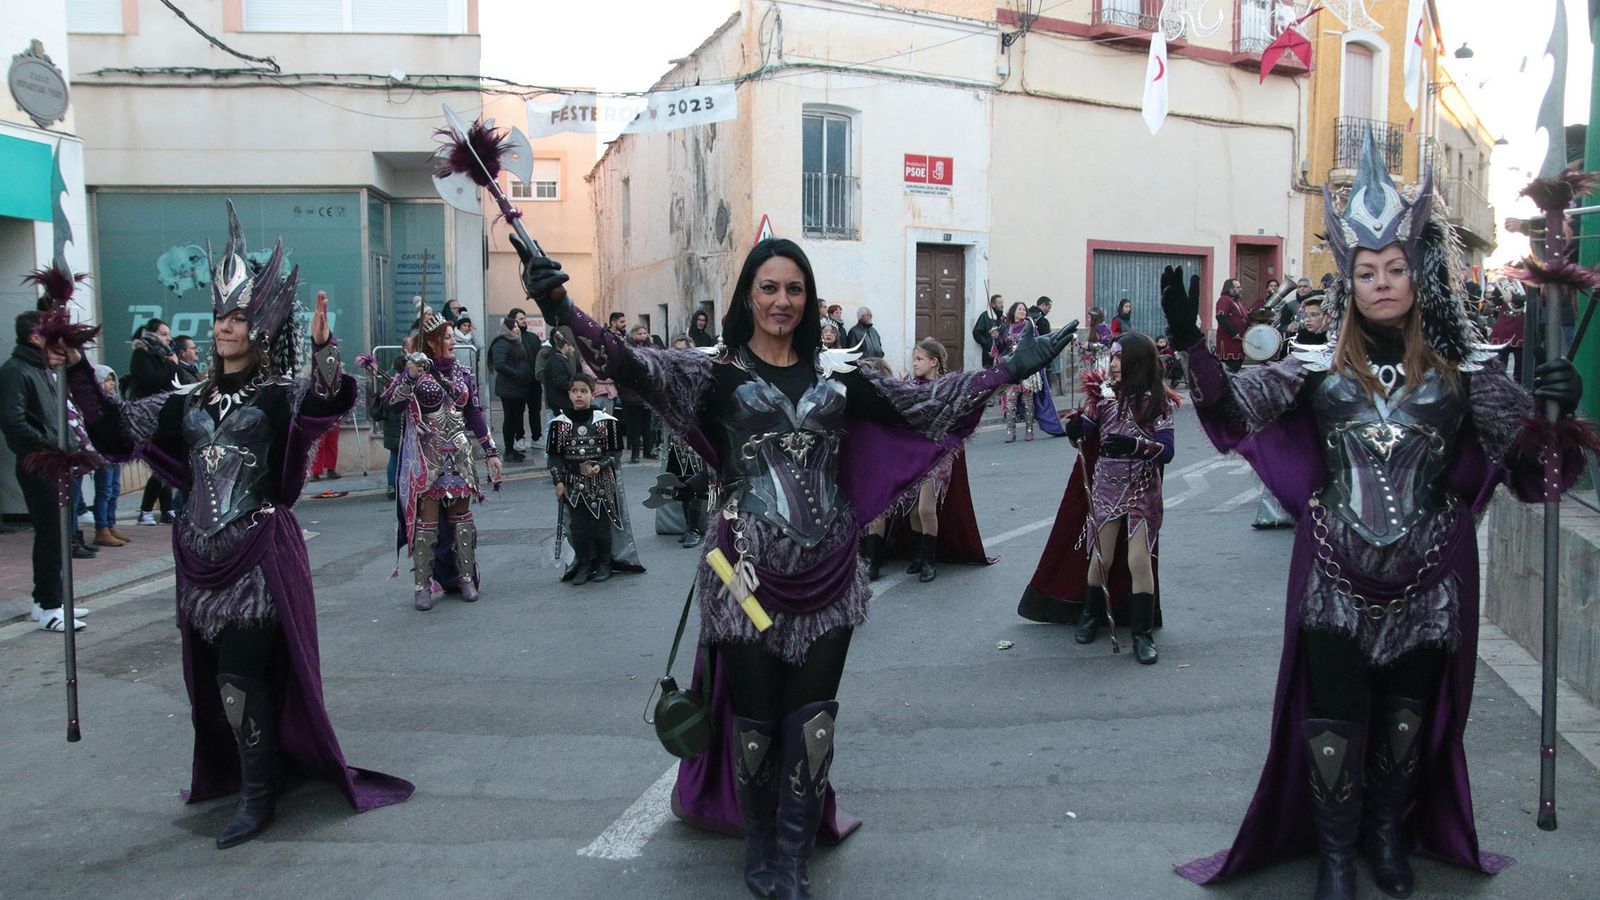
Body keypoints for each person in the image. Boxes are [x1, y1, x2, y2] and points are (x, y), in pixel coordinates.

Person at [512, 234, 1075, 900]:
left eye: (795, 288)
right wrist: (560, 307)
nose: (782, 300)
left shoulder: (841, 377)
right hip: (743, 576)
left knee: (812, 723)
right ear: (749, 295)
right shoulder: (713, 373)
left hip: (831, 573)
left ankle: (792, 855)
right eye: (769, 287)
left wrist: (1009, 368)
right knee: (755, 722)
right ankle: (760, 846)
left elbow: (926, 404)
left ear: (808, 300)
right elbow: (631, 365)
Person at [1170, 136, 1590, 900]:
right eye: (1367, 272)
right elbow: (1232, 413)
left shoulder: (1469, 372)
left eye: (1395, 268)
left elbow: (1539, 472)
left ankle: (1388, 835)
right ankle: (1335, 855)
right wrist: (1194, 346)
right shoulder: (1311, 364)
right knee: (1334, 715)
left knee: (1404, 715)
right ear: (1350, 280)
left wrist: (1556, 411)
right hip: (1335, 573)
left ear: (1417, 272)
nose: (1383, 282)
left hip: (1431, 582)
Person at [66, 203, 413, 845]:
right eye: (221, 315)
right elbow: (116, 434)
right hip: (199, 561)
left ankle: (257, 796)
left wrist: (324, 350)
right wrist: (78, 370)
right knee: (217, 678)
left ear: (260, 328)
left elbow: (331, 401)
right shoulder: (185, 399)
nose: (225, 326)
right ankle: (261, 769)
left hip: (257, 555)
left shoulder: (279, 393)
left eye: (238, 318)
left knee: (237, 676)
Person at [367, 300, 502, 610]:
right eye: (447, 337)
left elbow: (474, 413)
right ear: (431, 341)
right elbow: (394, 405)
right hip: (427, 457)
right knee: (427, 525)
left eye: (454, 336)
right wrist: (410, 376)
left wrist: (491, 451)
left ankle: (466, 578)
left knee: (462, 520)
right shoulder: (414, 370)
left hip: (460, 453)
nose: (453, 341)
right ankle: (422, 585)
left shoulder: (463, 371)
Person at [1060, 333, 1178, 665]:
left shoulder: (1158, 403)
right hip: (1106, 488)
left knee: (1138, 561)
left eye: (1118, 358)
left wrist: (1136, 447)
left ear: (1136, 362)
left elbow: (1167, 452)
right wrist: (1075, 430)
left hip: (1143, 490)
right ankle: (1091, 615)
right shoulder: (1103, 399)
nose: (1111, 365)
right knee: (1102, 557)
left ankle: (1142, 634)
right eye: (1111, 358)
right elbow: (1087, 433)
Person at [1, 309, 91, 631]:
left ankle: (47, 601)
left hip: (50, 461)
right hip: (39, 463)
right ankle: (51, 605)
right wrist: (49, 445)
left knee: (57, 532)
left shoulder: (40, 369)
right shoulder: (17, 371)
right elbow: (13, 421)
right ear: (35, 337)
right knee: (52, 533)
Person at [546, 373, 626, 584]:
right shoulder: (558, 424)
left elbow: (615, 453)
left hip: (601, 482)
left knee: (600, 525)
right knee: (578, 527)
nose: (579, 395)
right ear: (569, 394)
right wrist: (559, 481)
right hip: (573, 482)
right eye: (574, 391)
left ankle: (604, 563)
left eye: (583, 391)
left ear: (592, 394)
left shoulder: (607, 422)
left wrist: (600, 466)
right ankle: (583, 564)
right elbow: (554, 457)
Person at [129, 317, 179, 525]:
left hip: (166, 414)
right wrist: (172, 365)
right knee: (160, 466)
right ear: (152, 334)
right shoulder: (142, 354)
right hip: (150, 417)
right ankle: (146, 510)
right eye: (164, 334)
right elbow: (154, 380)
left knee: (166, 465)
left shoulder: (161, 355)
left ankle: (167, 509)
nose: (168, 338)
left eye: (169, 334)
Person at [489, 308, 541, 462]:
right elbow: (499, 365)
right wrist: (518, 374)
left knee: (516, 418)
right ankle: (508, 450)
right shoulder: (502, 343)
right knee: (510, 419)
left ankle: (512, 450)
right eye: (514, 328)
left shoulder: (516, 342)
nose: (517, 330)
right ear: (507, 329)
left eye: (517, 328)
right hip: (509, 389)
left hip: (519, 389)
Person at [90, 365, 133, 547]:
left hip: (116, 451)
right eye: (106, 380)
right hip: (103, 452)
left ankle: (110, 524)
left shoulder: (115, 400)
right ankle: (101, 528)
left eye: (111, 379)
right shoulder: (94, 403)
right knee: (105, 490)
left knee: (114, 489)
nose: (110, 383)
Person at [993, 302, 1039, 442]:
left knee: (1028, 400)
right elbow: (1002, 349)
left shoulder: (1030, 326)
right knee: (1011, 400)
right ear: (1013, 312)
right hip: (1012, 367)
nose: (1022, 311)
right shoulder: (1008, 328)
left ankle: (1029, 430)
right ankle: (1010, 431)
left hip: (1027, 367)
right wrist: (996, 338)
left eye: (1024, 309)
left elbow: (1037, 343)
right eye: (1019, 309)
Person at [623, 325, 661, 461]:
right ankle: (634, 453)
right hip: (632, 393)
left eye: (645, 332)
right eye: (640, 333)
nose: (643, 335)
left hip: (647, 392)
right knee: (634, 426)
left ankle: (648, 450)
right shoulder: (627, 348)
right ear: (633, 334)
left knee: (647, 425)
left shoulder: (652, 347)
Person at [1214, 279, 1250, 373]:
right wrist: (1234, 333)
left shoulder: (1237, 302)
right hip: (1229, 341)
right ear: (1230, 289)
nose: (1240, 289)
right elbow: (1221, 317)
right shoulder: (1224, 300)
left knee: (1236, 367)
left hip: (1238, 343)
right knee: (1232, 368)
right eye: (1237, 287)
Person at [973, 293, 1005, 367]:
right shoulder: (985, 316)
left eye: (1002, 302)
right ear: (993, 305)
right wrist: (988, 343)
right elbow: (977, 333)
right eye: (999, 303)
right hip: (989, 353)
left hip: (1003, 352)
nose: (1002, 305)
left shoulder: (1004, 317)